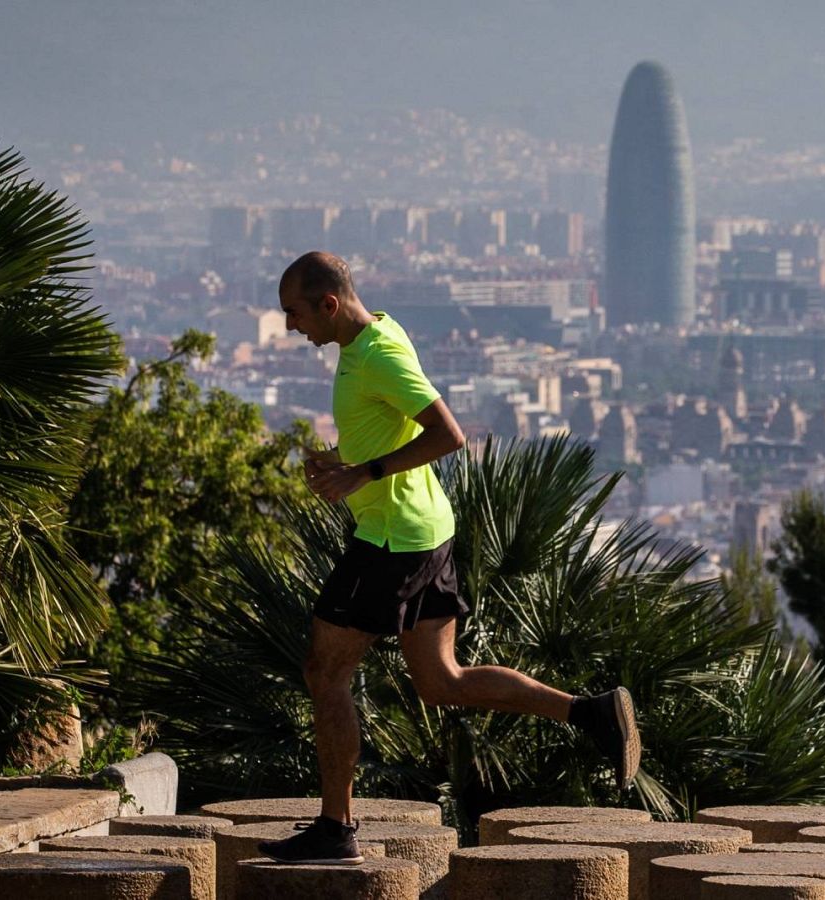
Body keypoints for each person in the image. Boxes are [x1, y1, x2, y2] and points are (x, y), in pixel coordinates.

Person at [259, 251, 639, 865]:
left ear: (328, 304)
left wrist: (365, 474)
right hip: (424, 530)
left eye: (294, 313)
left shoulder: (376, 355)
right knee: (443, 682)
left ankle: (336, 830)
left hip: (392, 540)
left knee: (324, 673)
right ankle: (589, 713)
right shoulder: (377, 332)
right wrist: (345, 462)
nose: (289, 326)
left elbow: (448, 435)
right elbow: (390, 431)